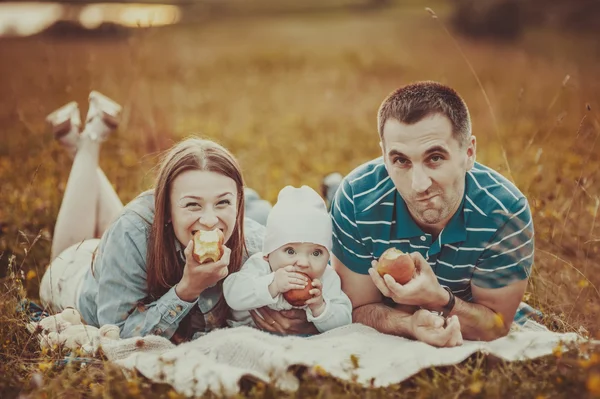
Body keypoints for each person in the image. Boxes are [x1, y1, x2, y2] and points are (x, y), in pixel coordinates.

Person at [38, 92, 313, 342]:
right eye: (193, 205)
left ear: (239, 203)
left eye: (223, 203)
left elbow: (309, 288)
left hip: (126, 242)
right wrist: (187, 289)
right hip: (73, 273)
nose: (209, 220)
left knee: (129, 222)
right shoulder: (131, 232)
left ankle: (77, 141)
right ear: (166, 210)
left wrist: (298, 317)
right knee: (85, 245)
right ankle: (89, 141)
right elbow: (118, 332)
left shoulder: (255, 244)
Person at [330, 81, 536, 346]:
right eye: (401, 160)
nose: (419, 185)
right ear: (384, 157)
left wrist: (438, 298)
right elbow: (356, 307)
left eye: (435, 157)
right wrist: (408, 324)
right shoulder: (356, 197)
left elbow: (495, 326)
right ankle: (330, 188)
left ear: (469, 153)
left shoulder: (505, 213)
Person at [223, 186, 352, 333]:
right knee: (257, 210)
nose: (303, 263)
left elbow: (344, 322)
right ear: (268, 253)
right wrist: (272, 285)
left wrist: (321, 307)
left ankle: (332, 193)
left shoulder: (326, 279)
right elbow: (232, 295)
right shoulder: (260, 265)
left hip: (296, 342)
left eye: (316, 253)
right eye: (290, 251)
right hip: (249, 334)